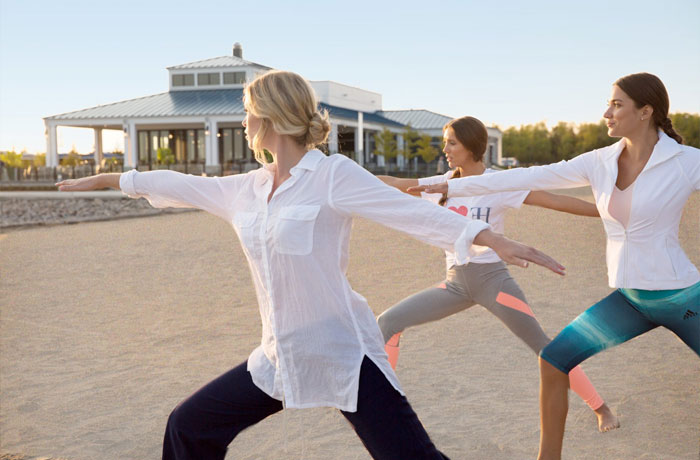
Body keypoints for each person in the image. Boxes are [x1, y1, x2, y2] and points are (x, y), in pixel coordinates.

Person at [56, 70, 565, 460]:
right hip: (280, 355)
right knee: (188, 426)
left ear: (271, 118)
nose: (243, 121)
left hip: (343, 350)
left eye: (248, 111)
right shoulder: (248, 188)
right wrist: (111, 180)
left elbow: (408, 212)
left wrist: (488, 237)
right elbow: (184, 185)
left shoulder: (332, 175)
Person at [412, 73, 700, 460]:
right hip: (630, 299)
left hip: (681, 297)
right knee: (553, 360)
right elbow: (529, 176)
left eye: (617, 104)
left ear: (646, 111)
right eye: (609, 103)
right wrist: (451, 186)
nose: (606, 112)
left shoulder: (685, 162)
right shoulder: (600, 162)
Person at [376, 116, 618, 433]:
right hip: (455, 285)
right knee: (388, 321)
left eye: (452, 143)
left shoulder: (498, 184)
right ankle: (385, 408)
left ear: (473, 147)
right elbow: (394, 184)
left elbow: (555, 200)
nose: (444, 149)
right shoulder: (441, 185)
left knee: (546, 349)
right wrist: (344, 175)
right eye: (445, 142)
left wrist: (613, 212)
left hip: (494, 283)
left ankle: (602, 409)